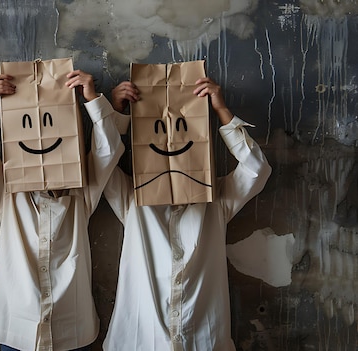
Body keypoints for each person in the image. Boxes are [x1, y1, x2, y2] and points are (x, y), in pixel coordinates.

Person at [102, 78, 272, 350]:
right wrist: (116, 113)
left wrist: (222, 112)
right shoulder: (133, 199)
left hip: (203, 341)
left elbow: (257, 170)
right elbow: (102, 166)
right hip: (139, 341)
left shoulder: (215, 200)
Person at [0, 70, 124, 351]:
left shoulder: (81, 194)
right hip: (14, 329)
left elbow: (108, 150)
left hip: (71, 331)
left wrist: (91, 99)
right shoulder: (9, 191)